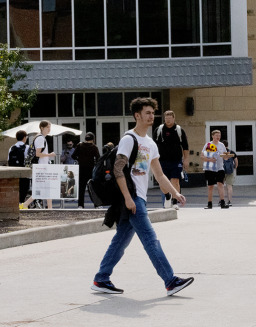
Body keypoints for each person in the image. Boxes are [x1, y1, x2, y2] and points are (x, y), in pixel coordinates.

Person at [91, 97, 194, 297]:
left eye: (152, 112)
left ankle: (101, 278)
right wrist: (129, 198)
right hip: (132, 198)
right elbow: (118, 169)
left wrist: (175, 193)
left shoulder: (151, 144)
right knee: (150, 239)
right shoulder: (129, 139)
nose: (151, 116)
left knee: (120, 241)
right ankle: (170, 281)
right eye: (147, 113)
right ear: (137, 115)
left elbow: (160, 175)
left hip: (138, 198)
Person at [154, 111, 189, 210]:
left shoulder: (179, 130)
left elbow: (185, 146)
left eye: (170, 118)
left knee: (175, 180)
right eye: (166, 118)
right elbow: (153, 146)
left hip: (176, 160)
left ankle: (175, 201)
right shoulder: (159, 130)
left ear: (174, 118)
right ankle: (167, 196)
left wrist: (186, 160)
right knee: (162, 182)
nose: (168, 120)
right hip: (162, 161)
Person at [23, 120, 57, 209]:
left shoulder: (39, 137)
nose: (49, 129)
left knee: (46, 189)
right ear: (42, 128)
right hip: (41, 167)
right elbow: (37, 154)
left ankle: (49, 207)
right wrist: (50, 155)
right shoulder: (41, 138)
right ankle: (26, 204)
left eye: (49, 127)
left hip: (41, 167)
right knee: (43, 189)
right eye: (47, 127)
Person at [201, 130, 228, 209]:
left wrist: (227, 157)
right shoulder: (208, 145)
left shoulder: (222, 145)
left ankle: (222, 203)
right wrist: (209, 160)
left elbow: (225, 156)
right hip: (210, 169)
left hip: (220, 168)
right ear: (212, 136)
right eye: (216, 135)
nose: (218, 137)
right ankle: (209, 204)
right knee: (210, 186)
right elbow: (202, 156)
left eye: (219, 135)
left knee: (220, 184)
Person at [72, 132, 100, 209]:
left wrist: (79, 160)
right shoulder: (94, 147)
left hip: (81, 169)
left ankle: (80, 205)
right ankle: (96, 205)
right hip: (91, 169)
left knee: (81, 188)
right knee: (93, 188)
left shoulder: (80, 146)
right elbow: (98, 158)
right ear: (93, 139)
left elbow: (73, 155)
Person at [9, 130, 30, 205]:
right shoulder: (27, 147)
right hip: (23, 172)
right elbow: (28, 160)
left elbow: (9, 160)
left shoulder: (12, 147)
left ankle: (15, 203)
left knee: (15, 188)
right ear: (24, 137)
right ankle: (21, 203)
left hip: (13, 172)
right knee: (24, 189)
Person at [220, 140, 238, 207]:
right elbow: (236, 161)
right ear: (227, 145)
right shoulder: (232, 152)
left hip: (221, 171)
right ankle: (229, 201)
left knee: (221, 186)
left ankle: (221, 200)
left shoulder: (221, 152)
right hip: (230, 171)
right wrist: (235, 168)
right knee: (229, 186)